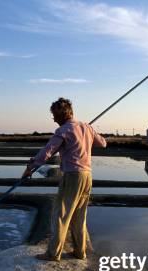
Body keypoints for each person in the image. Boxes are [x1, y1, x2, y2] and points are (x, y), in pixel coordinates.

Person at [22, 97, 107, 261]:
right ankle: (79, 252)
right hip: (87, 176)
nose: (53, 118)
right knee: (79, 216)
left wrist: (31, 166)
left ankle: (53, 254)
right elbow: (102, 143)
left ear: (63, 114)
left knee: (61, 215)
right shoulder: (86, 127)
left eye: (55, 115)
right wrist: (88, 131)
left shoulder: (63, 131)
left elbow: (47, 152)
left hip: (72, 176)